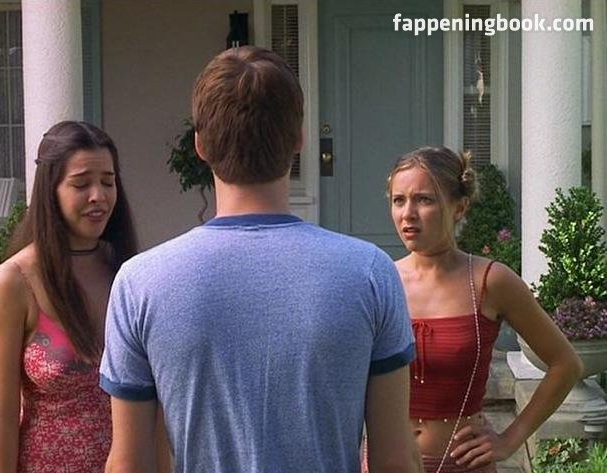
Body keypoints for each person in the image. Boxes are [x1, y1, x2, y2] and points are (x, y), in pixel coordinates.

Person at [100, 46, 422, 473]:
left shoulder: (139, 284)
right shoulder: (369, 273)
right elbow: (395, 459)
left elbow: (128, 464)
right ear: (299, 138)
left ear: (200, 145)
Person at [366, 146, 583, 473]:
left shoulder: (489, 281)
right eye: (399, 200)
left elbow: (566, 364)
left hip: (464, 464)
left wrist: (510, 439)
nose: (407, 213)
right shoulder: (379, 280)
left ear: (460, 207)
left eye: (424, 199)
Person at [0, 121, 139, 472]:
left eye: (108, 182)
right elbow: (3, 418)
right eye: (81, 184)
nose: (98, 195)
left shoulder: (128, 273)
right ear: (50, 190)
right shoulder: (15, 282)